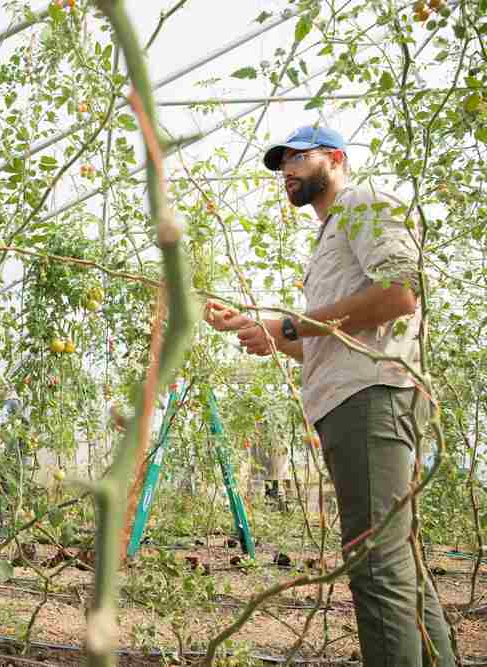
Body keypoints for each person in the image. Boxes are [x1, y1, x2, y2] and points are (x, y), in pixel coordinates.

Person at [205, 125, 455, 667]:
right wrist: (265, 330)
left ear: (336, 159)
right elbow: (330, 342)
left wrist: (290, 326)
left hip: (371, 399)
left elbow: (399, 294)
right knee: (395, 560)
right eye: (280, 165)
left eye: (298, 158)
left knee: (376, 563)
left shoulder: (364, 203)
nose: (286, 171)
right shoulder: (332, 239)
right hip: (355, 399)